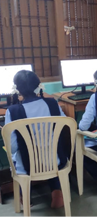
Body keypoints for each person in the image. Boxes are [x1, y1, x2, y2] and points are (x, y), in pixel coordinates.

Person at [5, 70, 66, 208]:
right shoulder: (52, 103)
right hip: (54, 161)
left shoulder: (13, 111)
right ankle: (57, 192)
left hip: (28, 166)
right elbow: (63, 124)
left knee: (15, 157)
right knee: (49, 152)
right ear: (38, 85)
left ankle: (25, 196)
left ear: (17, 89)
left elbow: (13, 147)